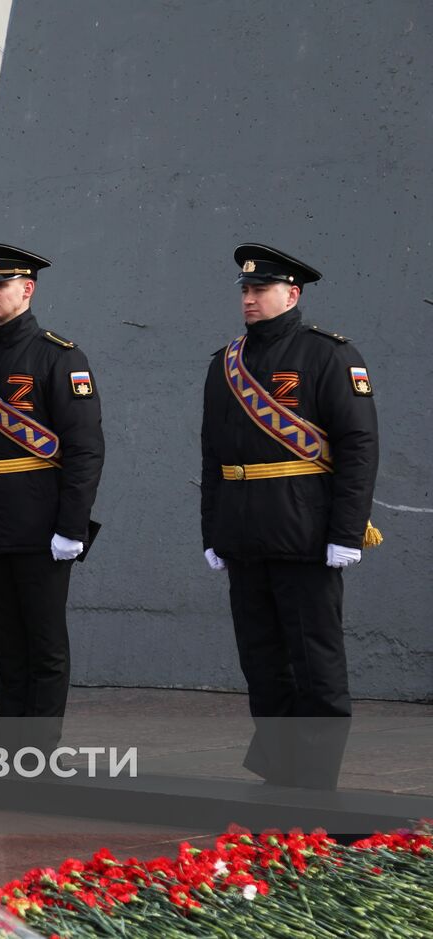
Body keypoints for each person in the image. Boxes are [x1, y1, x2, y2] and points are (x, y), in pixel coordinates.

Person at [200, 244, 378, 789]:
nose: (249, 298)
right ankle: (281, 774)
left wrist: (346, 532)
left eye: (261, 290)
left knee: (315, 662)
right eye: (245, 290)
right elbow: (213, 456)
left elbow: (358, 446)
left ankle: (317, 779)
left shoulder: (329, 355)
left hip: (307, 534)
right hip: (244, 535)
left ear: (292, 294)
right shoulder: (225, 363)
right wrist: (214, 533)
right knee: (262, 661)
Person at [0, 244, 105, 755]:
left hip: (43, 522)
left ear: (27, 290)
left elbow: (85, 449)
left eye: (1, 285)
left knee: (44, 645)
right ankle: (10, 752)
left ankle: (40, 752)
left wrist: (71, 528)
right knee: (9, 648)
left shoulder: (58, 356)